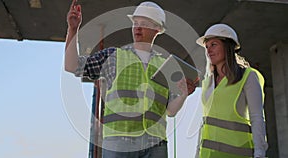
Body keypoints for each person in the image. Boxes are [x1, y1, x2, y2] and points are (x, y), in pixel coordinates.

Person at [65, 0, 197, 157]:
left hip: (155, 144)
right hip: (119, 143)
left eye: (144, 23)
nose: (138, 27)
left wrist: (183, 95)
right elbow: (72, 66)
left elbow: (170, 110)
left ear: (157, 29)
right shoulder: (114, 56)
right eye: (135, 22)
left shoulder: (165, 65)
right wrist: (73, 30)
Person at [195, 23, 268, 158]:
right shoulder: (208, 83)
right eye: (207, 47)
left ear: (228, 46)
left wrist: (260, 153)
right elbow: (205, 124)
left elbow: (257, 117)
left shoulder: (248, 77)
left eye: (214, 44)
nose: (208, 50)